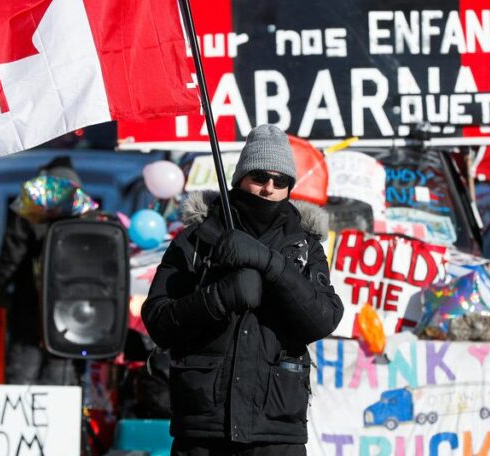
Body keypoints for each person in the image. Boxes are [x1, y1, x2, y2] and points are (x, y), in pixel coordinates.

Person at [142, 124, 343, 455]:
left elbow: (322, 319)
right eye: (259, 177)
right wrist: (218, 298)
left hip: (275, 431)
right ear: (239, 180)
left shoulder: (304, 245)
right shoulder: (196, 238)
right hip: (204, 430)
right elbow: (158, 321)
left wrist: (271, 265)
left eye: (280, 182)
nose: (268, 188)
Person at [0, 156, 89, 385]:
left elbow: (12, 255)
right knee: (60, 379)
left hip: (29, 307)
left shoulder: (30, 206)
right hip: (72, 312)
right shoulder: (84, 211)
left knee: (22, 378)